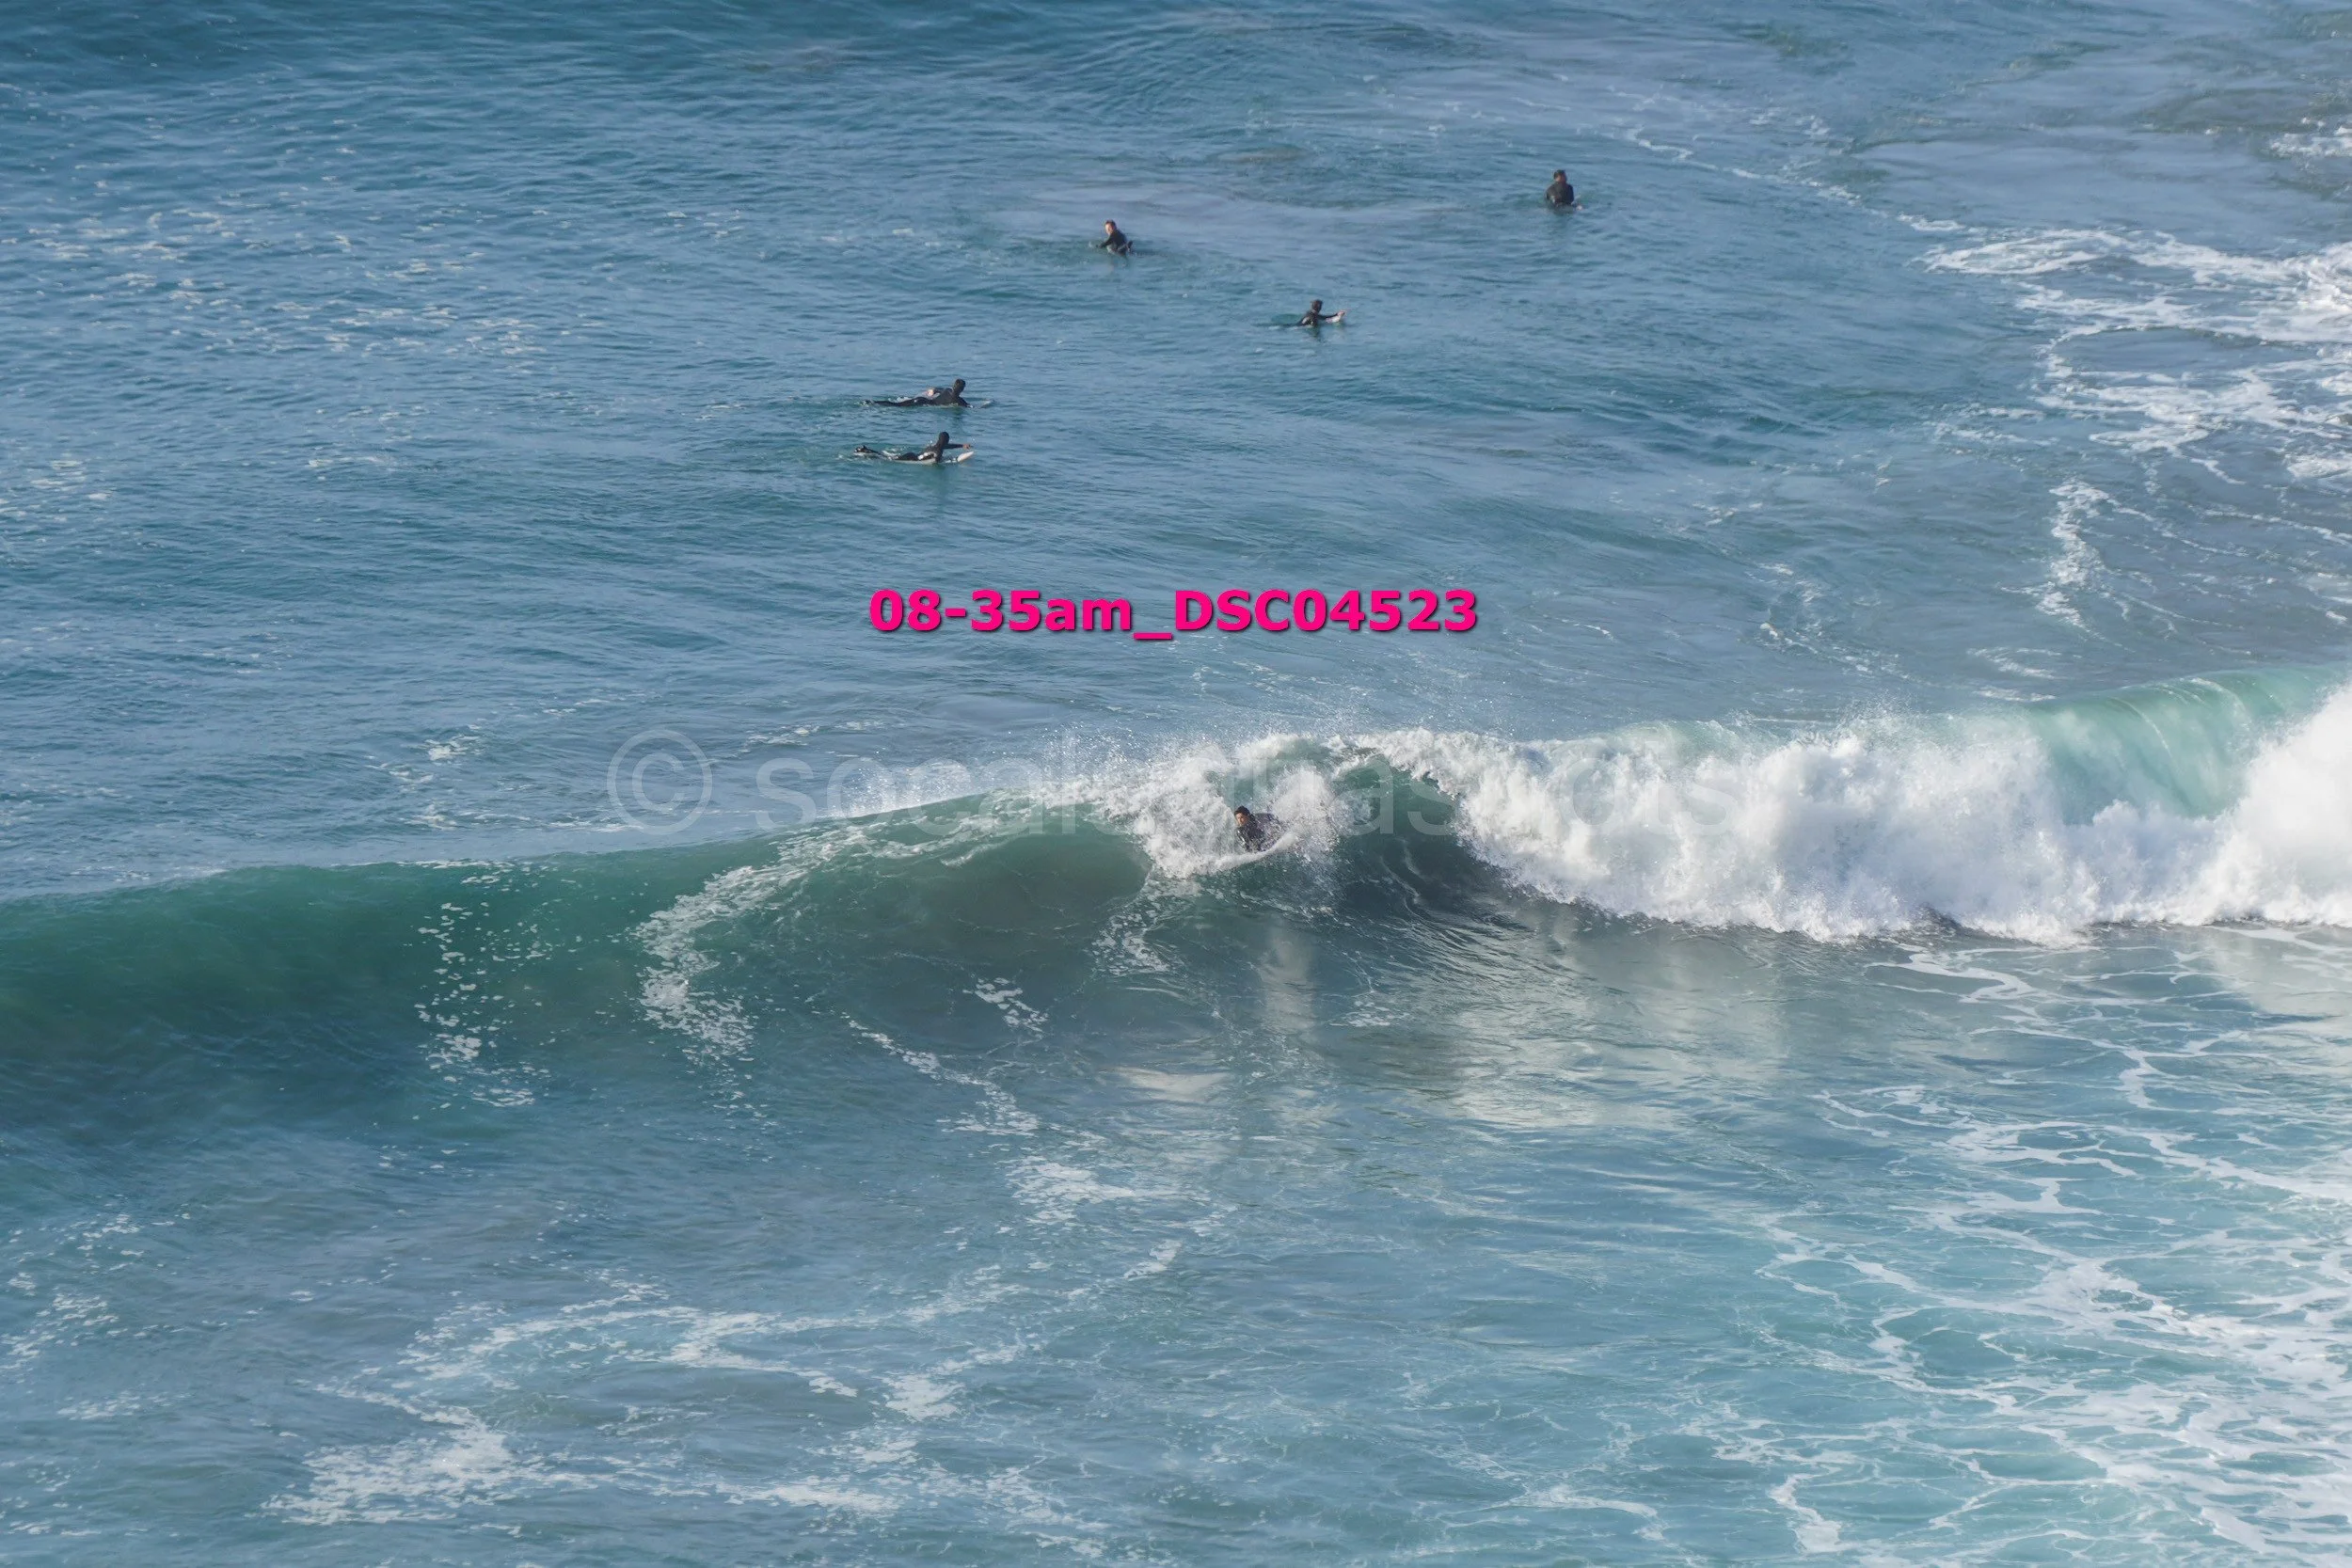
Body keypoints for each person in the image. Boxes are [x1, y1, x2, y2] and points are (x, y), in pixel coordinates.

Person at [854, 433, 969, 462]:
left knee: (886, 457)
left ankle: (866, 450)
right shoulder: (938, 451)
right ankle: (865, 451)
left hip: (912, 455)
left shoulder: (936, 446)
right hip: (912, 459)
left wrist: (961, 446)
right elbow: (936, 461)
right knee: (886, 459)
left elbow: (947, 447)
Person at [866, 378, 967, 408]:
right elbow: (971, 408)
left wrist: (933, 390)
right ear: (962, 389)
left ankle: (873, 402)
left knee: (897, 404)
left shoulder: (947, 390)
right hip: (924, 404)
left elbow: (937, 389)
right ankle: (874, 404)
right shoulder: (959, 401)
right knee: (897, 406)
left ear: (953, 386)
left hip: (922, 400)